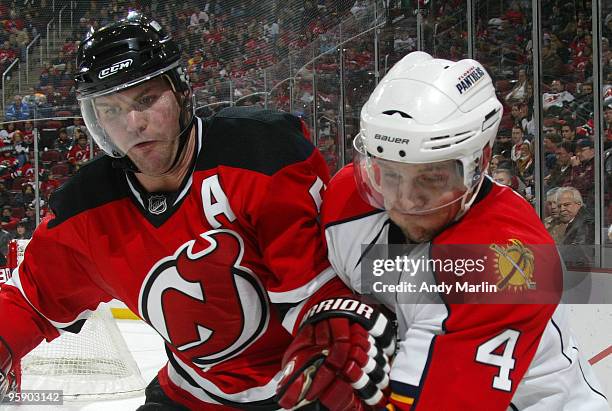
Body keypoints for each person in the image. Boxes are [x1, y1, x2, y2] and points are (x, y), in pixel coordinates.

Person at [0, 13, 395, 411]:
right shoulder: (87, 211)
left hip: (299, 386)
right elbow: (29, 299)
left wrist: (334, 330)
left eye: (147, 99)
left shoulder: (259, 157)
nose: (134, 123)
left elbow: (315, 292)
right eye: (112, 110)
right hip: (191, 395)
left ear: (182, 93)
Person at [322, 52, 608, 410]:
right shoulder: (348, 202)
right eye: (390, 174)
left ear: (479, 164)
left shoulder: (505, 259)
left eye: (431, 178)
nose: (406, 201)